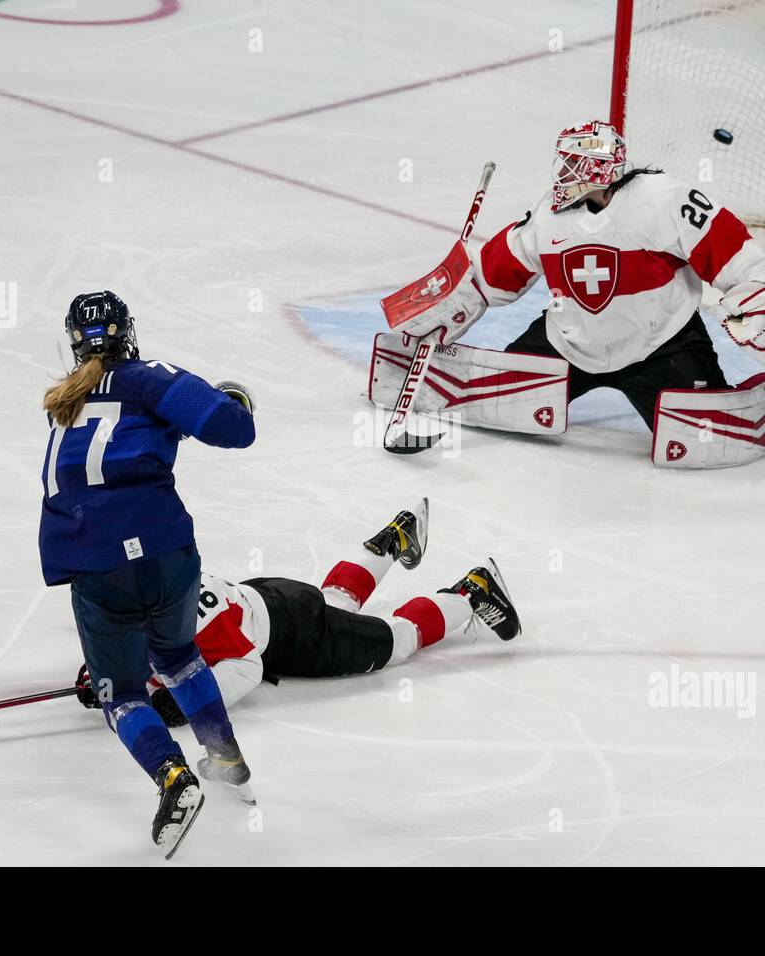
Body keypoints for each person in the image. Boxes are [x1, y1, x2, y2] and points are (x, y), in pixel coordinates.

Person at [75, 500, 521, 798]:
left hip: (294, 633)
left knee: (395, 641)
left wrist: (171, 704)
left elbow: (245, 667)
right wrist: (106, 672)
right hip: (268, 595)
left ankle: (471, 592)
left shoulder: (169, 620)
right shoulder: (159, 585)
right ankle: (393, 540)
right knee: (336, 602)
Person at [390, 119, 765, 435]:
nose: (562, 173)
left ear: (598, 170)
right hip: (570, 342)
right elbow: (498, 270)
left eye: (573, 164)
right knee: (497, 403)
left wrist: (759, 299)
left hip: (662, 345)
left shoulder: (663, 200)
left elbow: (729, 247)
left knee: (706, 434)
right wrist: (455, 302)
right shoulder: (549, 216)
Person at [38, 289, 256, 859]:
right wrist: (227, 401)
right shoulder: (149, 376)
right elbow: (234, 428)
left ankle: (173, 778)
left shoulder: (64, 402)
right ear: (127, 331)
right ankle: (225, 757)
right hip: (165, 551)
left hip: (96, 564)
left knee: (125, 697)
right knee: (179, 656)